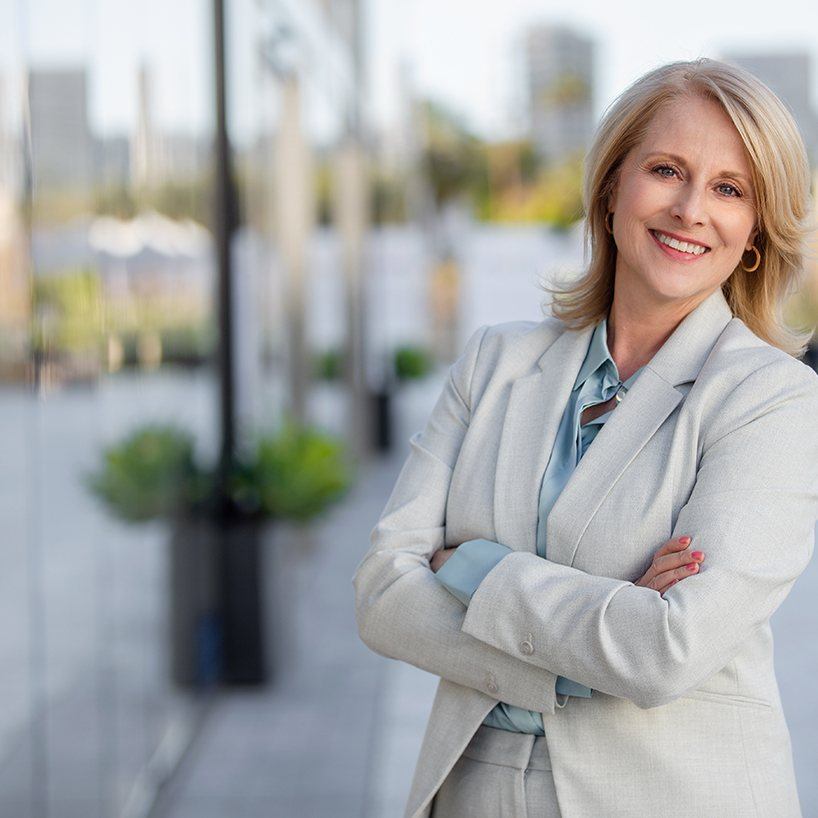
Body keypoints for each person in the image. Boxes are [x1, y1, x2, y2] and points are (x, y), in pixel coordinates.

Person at [353, 57, 818, 818]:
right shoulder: (494, 362)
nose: (692, 209)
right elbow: (381, 594)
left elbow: (666, 650)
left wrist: (470, 568)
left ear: (756, 232)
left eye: (730, 189)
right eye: (667, 169)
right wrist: (602, 627)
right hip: (471, 790)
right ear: (611, 190)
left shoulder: (774, 400)